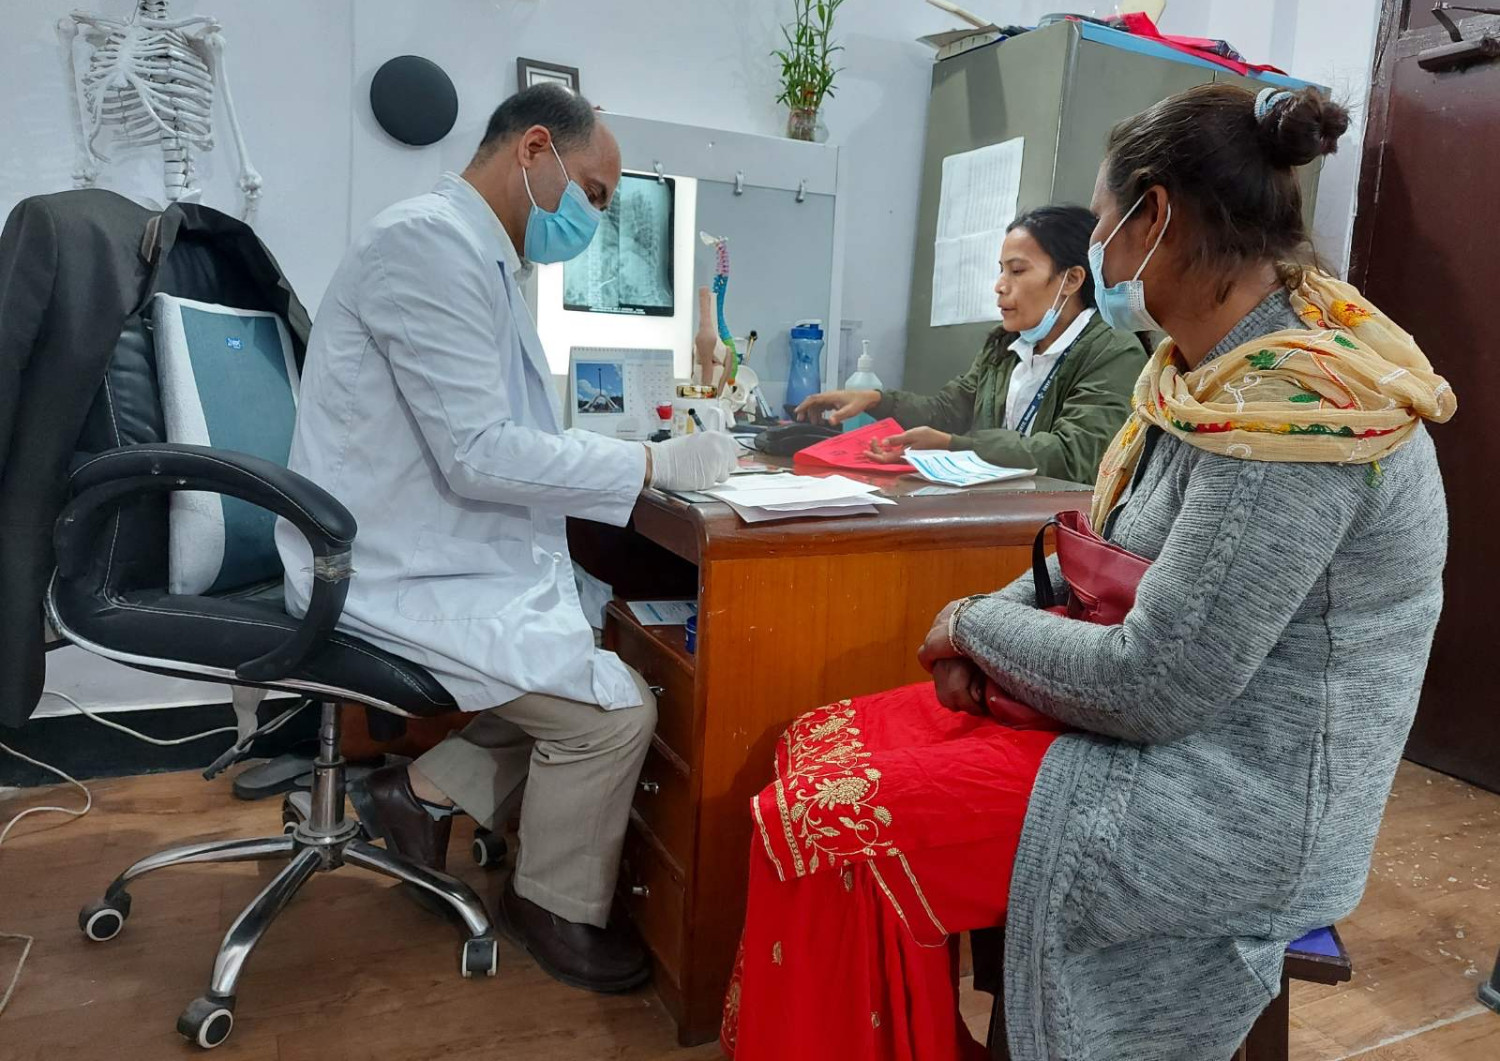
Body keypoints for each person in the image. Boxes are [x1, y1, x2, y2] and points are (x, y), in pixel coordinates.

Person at [722, 83, 1455, 1061]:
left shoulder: (1296, 414)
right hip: (1152, 733)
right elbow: (1090, 560)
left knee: (825, 827)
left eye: (1104, 227)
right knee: (814, 748)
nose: (1098, 256)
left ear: (1157, 219)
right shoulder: (1197, 376)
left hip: (1230, 797)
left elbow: (1157, 682)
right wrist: (987, 622)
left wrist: (974, 626)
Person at [275, 84, 739, 993]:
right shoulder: (427, 247)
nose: (593, 219)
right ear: (535, 150)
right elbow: (481, 452)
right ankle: (551, 905)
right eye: (594, 194)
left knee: (585, 644)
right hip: (385, 569)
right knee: (614, 714)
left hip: (429, 547)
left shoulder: (477, 255)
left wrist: (631, 459)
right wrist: (651, 465)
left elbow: (495, 433)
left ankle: (420, 793)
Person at [795, 205, 1145, 485]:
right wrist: (875, 400)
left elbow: (1074, 456)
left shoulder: (1113, 352)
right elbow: (948, 411)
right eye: (1001, 270)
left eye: (1017, 271)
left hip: (1057, 523)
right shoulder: (1005, 346)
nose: (1000, 286)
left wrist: (957, 446)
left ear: (1071, 279)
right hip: (998, 511)